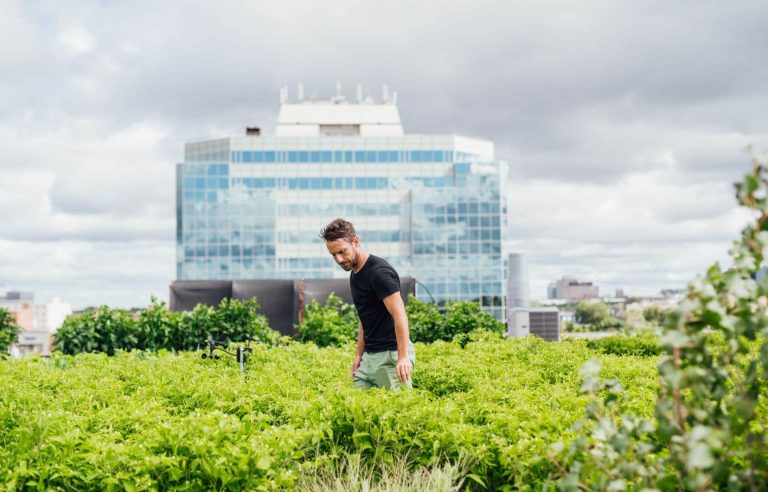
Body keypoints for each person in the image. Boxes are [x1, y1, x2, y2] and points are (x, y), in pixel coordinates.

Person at [320, 218, 415, 389]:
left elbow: (399, 314)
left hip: (390, 355)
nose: (339, 259)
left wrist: (403, 357)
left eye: (342, 251)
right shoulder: (355, 273)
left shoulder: (379, 273)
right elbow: (365, 317)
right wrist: (358, 356)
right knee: (356, 411)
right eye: (333, 255)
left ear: (355, 242)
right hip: (369, 357)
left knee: (399, 412)